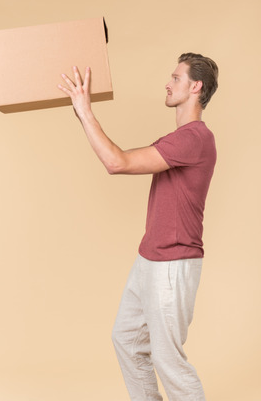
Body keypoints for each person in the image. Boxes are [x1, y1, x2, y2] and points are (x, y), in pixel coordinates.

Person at [58, 52, 219, 401]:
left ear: (196, 86)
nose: (168, 82)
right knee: (128, 341)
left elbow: (117, 163)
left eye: (176, 78)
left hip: (173, 264)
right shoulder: (181, 138)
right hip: (149, 258)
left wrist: (85, 111)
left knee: (168, 361)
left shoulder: (193, 139)